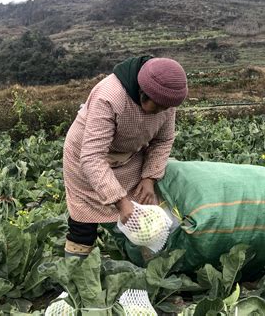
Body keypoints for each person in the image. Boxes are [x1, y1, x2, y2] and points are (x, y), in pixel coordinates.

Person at [62, 56, 188, 258]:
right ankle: (76, 272)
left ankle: (135, 264)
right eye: (158, 107)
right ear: (143, 94)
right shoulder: (110, 97)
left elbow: (163, 141)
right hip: (85, 158)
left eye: (167, 108)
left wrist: (149, 178)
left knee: (138, 212)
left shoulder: (166, 101)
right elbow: (92, 157)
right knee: (84, 223)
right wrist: (120, 201)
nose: (163, 112)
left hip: (129, 157)